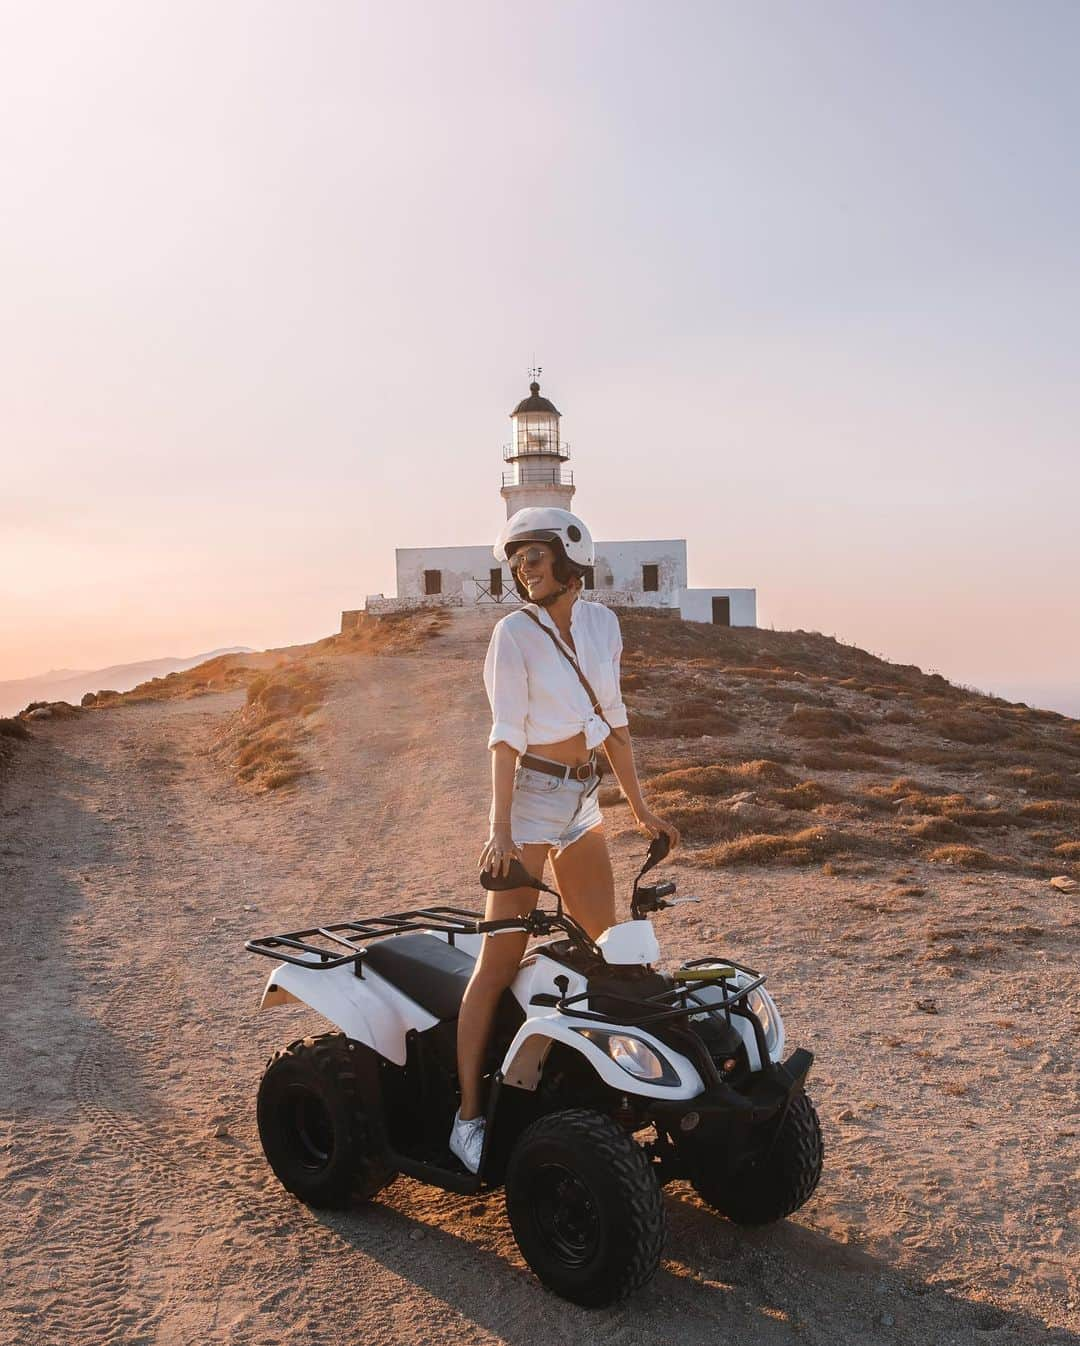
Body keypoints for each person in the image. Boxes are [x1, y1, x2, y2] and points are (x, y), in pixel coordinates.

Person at [449, 506, 680, 1172]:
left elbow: (615, 726)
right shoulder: (511, 634)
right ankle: (466, 1117)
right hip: (526, 802)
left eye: (534, 555)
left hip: (582, 798)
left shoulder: (605, 625)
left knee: (606, 955)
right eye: (516, 559)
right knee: (498, 962)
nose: (523, 569)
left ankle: (593, 1095)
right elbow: (503, 736)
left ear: (569, 555)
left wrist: (642, 810)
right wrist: (498, 831)